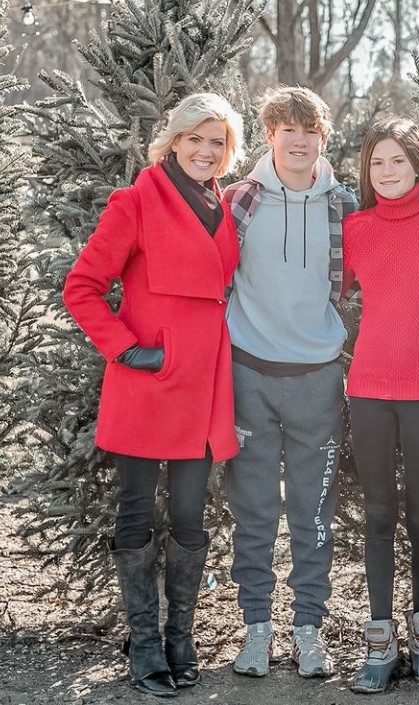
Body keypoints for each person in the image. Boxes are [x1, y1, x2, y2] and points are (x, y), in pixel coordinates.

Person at [63, 93, 244, 698]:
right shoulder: (136, 200)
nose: (206, 150)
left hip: (204, 384)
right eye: (196, 139)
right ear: (172, 142)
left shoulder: (223, 203)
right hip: (149, 380)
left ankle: (180, 639)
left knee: (191, 517)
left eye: (217, 141)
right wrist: (127, 349)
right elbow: (83, 286)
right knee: (138, 512)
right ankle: (144, 645)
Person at [222, 85, 357, 679]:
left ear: (322, 140)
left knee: (313, 512)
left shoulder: (343, 206)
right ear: (270, 136)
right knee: (253, 511)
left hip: (318, 379)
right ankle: (256, 630)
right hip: (248, 372)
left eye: (310, 131)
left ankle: (308, 629)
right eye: (287, 130)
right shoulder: (237, 203)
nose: (299, 141)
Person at [341, 116, 419, 694]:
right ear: (366, 170)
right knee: (379, 516)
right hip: (367, 389)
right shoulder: (355, 227)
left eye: (398, 161)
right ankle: (380, 642)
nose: (387, 173)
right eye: (376, 163)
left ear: (418, 163)